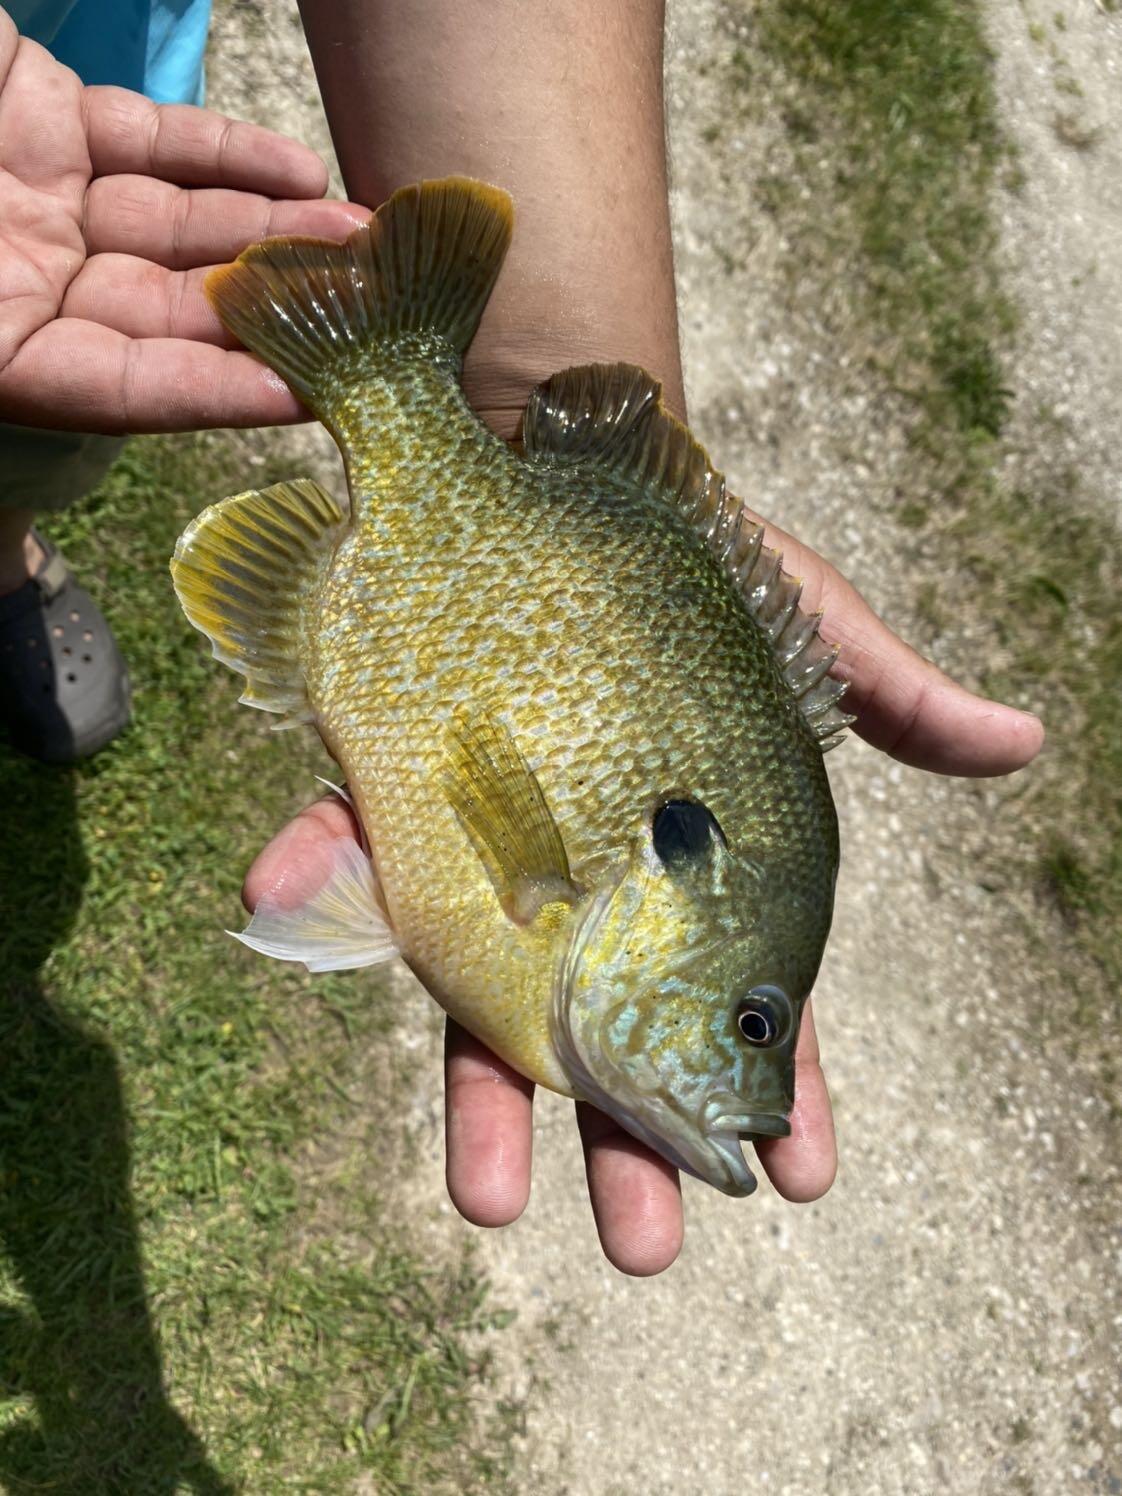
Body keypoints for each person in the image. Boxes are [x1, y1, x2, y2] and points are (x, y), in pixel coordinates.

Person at [0, 1, 1044, 1274]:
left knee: (41, 423)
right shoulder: (562, 906)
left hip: (63, 121)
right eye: (752, 1024)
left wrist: (542, 349)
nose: (749, 1069)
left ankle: (7, 548)